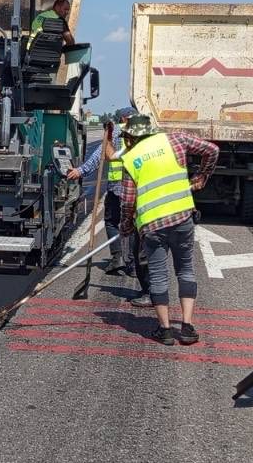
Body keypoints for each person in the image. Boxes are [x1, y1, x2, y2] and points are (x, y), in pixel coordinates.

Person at [115, 114, 219, 345]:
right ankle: (187, 325)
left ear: (132, 137)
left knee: (158, 274)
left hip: (152, 226)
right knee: (185, 269)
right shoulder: (176, 140)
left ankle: (164, 330)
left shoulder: (131, 159)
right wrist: (202, 176)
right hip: (182, 218)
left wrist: (126, 226)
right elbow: (211, 150)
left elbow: (128, 201)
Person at [67, 106, 137, 275]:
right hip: (136, 190)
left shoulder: (115, 132)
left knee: (112, 221)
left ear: (122, 119)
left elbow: (98, 157)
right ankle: (133, 263)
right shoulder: (143, 135)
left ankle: (117, 256)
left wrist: (79, 171)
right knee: (134, 225)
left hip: (116, 189)